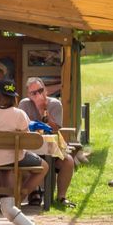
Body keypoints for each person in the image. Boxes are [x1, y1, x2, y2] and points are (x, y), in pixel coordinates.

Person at [0, 79, 42, 204]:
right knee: (44, 167)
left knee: (6, 167)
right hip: (13, 157)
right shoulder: (19, 114)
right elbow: (26, 139)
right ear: (14, 96)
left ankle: (9, 197)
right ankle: (20, 196)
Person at [18, 76, 76, 207]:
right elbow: (21, 127)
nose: (38, 94)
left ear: (46, 90)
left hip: (51, 146)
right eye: (34, 93)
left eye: (40, 90)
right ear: (29, 94)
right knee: (23, 158)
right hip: (31, 147)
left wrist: (43, 110)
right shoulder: (24, 104)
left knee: (68, 161)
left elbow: (55, 129)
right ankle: (34, 191)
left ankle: (61, 197)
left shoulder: (55, 104)